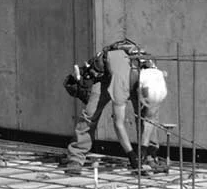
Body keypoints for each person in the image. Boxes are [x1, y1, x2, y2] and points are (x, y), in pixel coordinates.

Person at [64, 38, 168, 176]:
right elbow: (118, 123)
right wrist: (131, 154)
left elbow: (150, 119)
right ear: (139, 89)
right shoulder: (122, 81)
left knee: (147, 115)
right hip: (106, 77)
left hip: (134, 78)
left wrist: (143, 148)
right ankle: (76, 158)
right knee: (90, 113)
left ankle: (149, 156)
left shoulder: (155, 81)